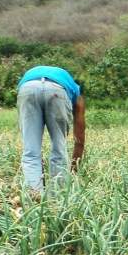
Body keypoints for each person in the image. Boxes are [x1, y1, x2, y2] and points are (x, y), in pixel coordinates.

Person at [16, 65, 86, 194]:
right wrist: (74, 171)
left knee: (31, 151)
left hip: (27, 88)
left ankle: (34, 196)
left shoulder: (32, 75)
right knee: (59, 149)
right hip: (58, 90)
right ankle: (58, 197)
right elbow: (79, 137)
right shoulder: (76, 91)